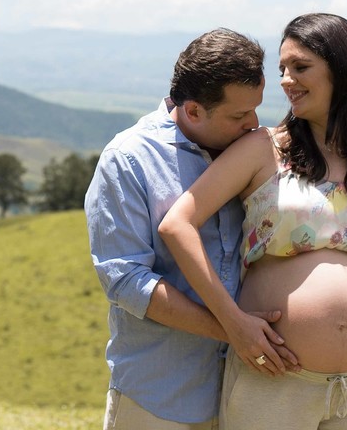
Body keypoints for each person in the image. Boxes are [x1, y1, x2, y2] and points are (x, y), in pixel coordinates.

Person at [158, 13, 347, 429]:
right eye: (282, 69)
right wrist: (233, 324)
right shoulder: (264, 149)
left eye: (300, 66)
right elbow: (177, 225)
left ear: (343, 70)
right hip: (274, 380)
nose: (285, 80)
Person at [85, 27, 297, 430]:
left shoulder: (249, 151)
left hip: (246, 394)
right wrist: (233, 328)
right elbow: (126, 281)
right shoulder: (127, 159)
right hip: (158, 396)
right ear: (194, 110)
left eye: (256, 109)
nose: (254, 124)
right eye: (238, 115)